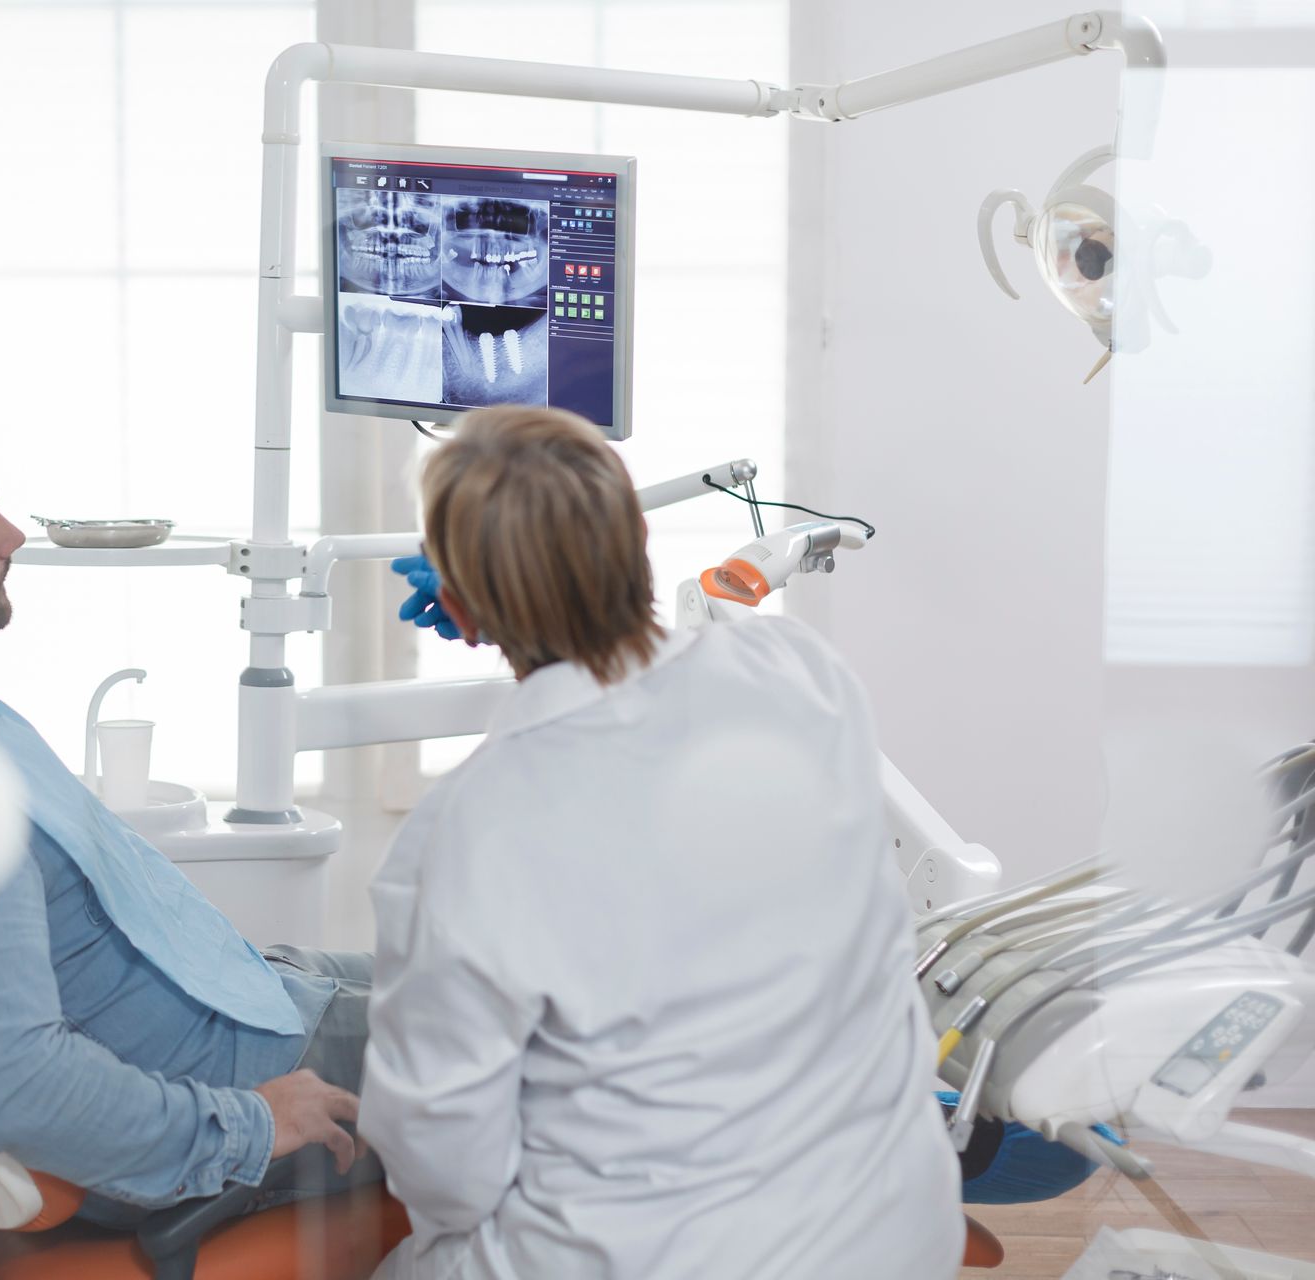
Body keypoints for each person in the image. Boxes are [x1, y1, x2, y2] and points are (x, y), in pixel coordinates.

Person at [359, 405, 968, 1278]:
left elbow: (446, 1168)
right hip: (893, 1238)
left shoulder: (466, 829)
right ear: (642, 537)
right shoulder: (806, 675)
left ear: (457, 608)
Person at [0, 421, 381, 1223]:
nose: (14, 538)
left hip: (253, 997)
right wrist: (255, 1125)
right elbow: (15, 1087)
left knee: (474, 966)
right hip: (253, 1074)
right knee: (567, 1022)